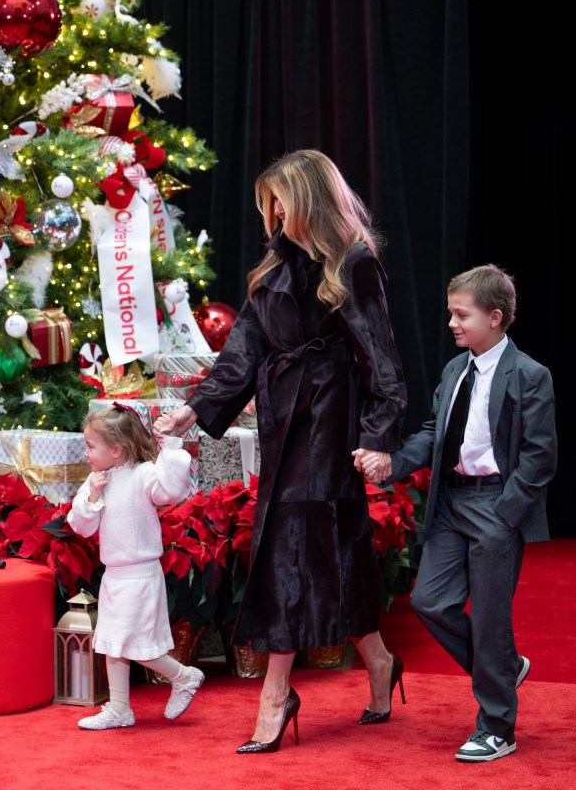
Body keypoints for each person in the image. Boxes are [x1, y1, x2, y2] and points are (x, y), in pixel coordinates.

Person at [154, 149, 408, 753]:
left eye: (281, 201)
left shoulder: (353, 261)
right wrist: (195, 409)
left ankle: (275, 693)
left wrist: (376, 436)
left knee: (293, 547)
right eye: (265, 202)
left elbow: (382, 358)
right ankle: (378, 660)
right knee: (331, 548)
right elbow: (242, 352)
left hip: (330, 421)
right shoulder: (272, 268)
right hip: (283, 419)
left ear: (310, 200)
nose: (271, 213)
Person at [356, 264, 557, 763]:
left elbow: (539, 457)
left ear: (495, 317)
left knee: (490, 621)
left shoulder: (530, 375)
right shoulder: (454, 370)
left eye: (460, 315)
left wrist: (507, 513)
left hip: (495, 505)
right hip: (450, 503)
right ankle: (506, 668)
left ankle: (496, 726)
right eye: (450, 313)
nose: (451, 323)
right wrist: (392, 462)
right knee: (429, 601)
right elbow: (433, 431)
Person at [67, 403, 204, 730]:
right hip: (114, 576)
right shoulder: (96, 480)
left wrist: (170, 446)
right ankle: (119, 709)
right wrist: (92, 499)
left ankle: (183, 676)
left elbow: (171, 489)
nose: (85, 453)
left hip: (141, 575)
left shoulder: (143, 474)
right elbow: (81, 526)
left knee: (134, 643)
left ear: (116, 450)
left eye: (90, 446)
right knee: (114, 642)